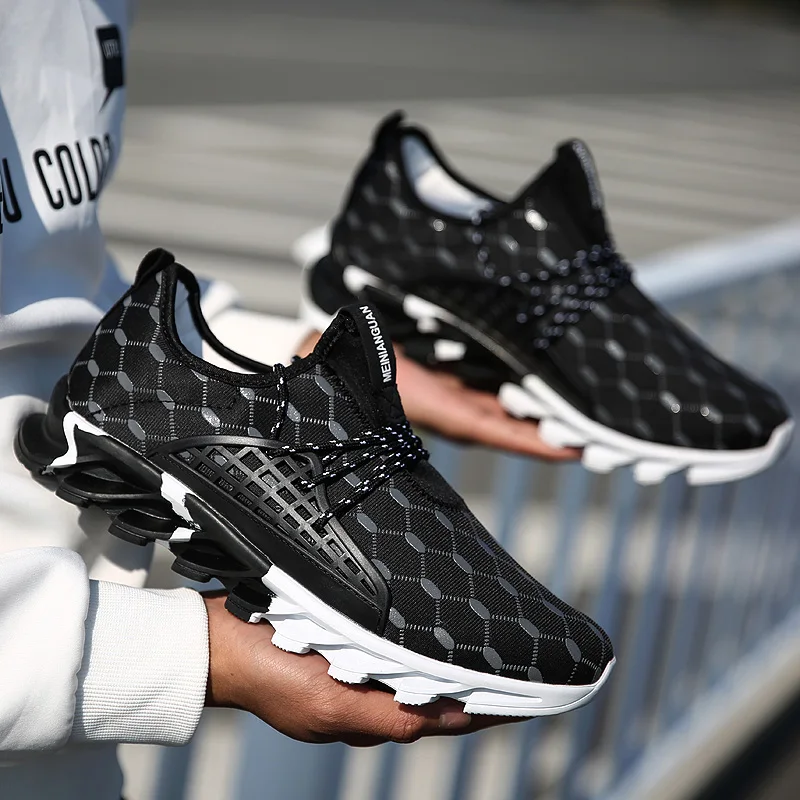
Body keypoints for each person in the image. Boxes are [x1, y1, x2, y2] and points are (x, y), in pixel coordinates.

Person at [0, 1, 576, 797]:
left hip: (65, 750)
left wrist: (285, 358)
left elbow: (41, 280)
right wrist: (189, 655)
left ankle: (167, 410)